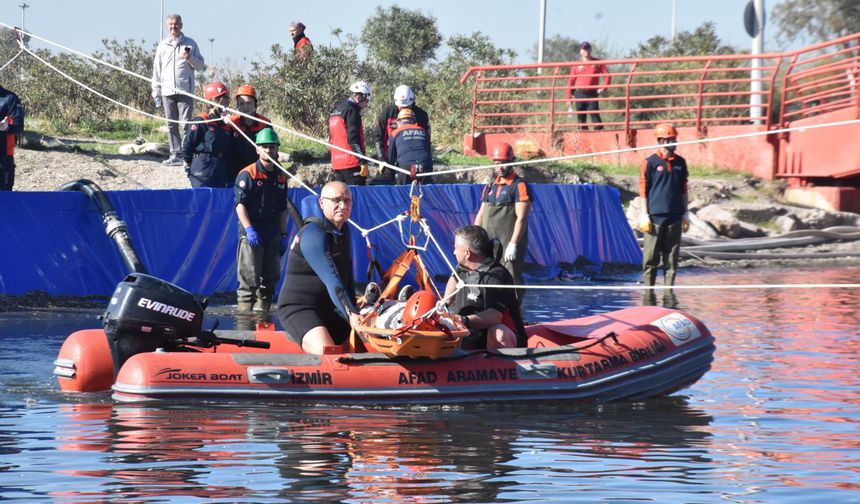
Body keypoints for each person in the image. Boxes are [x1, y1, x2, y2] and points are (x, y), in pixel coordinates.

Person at [277, 181, 362, 354]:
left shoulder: (343, 230)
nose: (342, 205)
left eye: (347, 201)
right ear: (322, 203)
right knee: (328, 352)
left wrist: (357, 311)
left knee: (363, 343)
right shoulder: (313, 235)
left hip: (328, 309)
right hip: (300, 309)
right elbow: (333, 280)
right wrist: (351, 313)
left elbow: (346, 277)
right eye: (336, 200)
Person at [444, 225, 526, 351]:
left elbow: (495, 316)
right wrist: (446, 301)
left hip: (500, 337)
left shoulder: (496, 276)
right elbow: (454, 277)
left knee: (498, 332)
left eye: (456, 248)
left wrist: (464, 320)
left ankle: (502, 365)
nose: (454, 252)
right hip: (470, 336)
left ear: (467, 253)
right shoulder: (463, 268)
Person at [234, 128, 290, 313]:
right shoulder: (247, 174)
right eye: (264, 147)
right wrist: (249, 229)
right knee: (249, 280)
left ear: (277, 150)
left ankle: (262, 317)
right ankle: (244, 322)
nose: (268, 151)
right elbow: (239, 205)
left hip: (272, 232)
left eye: (272, 147)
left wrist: (283, 234)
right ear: (257, 149)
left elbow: (283, 208)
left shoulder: (281, 176)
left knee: (271, 279)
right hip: (252, 232)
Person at [474, 142, 531, 300]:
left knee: (511, 279)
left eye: (503, 163)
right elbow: (481, 213)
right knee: (486, 275)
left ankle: (515, 316)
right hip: (489, 243)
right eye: (497, 163)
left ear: (512, 162)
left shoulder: (519, 186)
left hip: (508, 244)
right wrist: (473, 238)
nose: (499, 167)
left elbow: (522, 218)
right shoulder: (490, 187)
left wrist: (513, 244)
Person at [639, 123, 689, 287]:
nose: (674, 142)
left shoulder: (681, 163)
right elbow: (643, 190)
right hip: (654, 218)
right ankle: (649, 293)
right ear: (661, 141)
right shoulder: (650, 162)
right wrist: (644, 214)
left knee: (671, 261)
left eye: (674, 139)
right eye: (671, 139)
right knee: (650, 259)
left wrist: (685, 213)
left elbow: (683, 189)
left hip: (675, 217)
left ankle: (669, 294)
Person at [151, 14, 205, 167]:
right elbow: (157, 70)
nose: (173, 27)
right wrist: (156, 91)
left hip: (185, 90)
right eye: (170, 24)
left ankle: (187, 154)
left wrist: (190, 58)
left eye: (176, 24)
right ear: (167, 26)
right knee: (171, 124)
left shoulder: (190, 43)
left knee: (186, 124)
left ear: (181, 25)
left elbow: (200, 65)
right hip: (167, 91)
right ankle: (175, 154)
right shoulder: (162, 45)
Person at [181, 81, 233, 188]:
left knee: (218, 202)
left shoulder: (225, 125)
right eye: (224, 98)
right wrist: (188, 162)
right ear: (212, 101)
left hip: (220, 169)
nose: (227, 101)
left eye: (228, 97)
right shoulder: (201, 121)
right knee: (203, 200)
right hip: (204, 167)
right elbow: (188, 143)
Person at [373, 85, 430, 174]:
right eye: (402, 107)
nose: (404, 109)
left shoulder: (421, 115)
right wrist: (381, 159)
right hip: (389, 160)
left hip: (412, 159)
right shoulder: (387, 113)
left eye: (407, 106)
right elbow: (378, 138)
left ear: (412, 101)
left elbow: (426, 140)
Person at [227, 84, 272, 185]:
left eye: (249, 103)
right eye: (242, 104)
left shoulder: (264, 124)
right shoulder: (231, 123)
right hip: (235, 171)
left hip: (258, 171)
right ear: (238, 106)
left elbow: (273, 149)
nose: (245, 107)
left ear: (255, 104)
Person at [328, 81, 372, 186]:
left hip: (337, 163)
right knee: (356, 198)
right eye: (366, 100)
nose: (366, 104)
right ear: (359, 97)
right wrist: (362, 161)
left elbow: (331, 140)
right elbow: (353, 139)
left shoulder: (336, 110)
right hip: (351, 163)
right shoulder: (352, 111)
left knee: (341, 197)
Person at [566, 41, 610, 130]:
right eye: (584, 49)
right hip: (579, 93)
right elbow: (571, 81)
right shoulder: (576, 65)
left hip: (592, 93)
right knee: (581, 119)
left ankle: (599, 136)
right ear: (580, 51)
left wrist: (604, 88)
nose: (586, 51)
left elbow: (607, 75)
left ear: (591, 50)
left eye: (587, 48)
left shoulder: (598, 62)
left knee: (595, 117)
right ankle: (583, 136)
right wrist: (568, 97)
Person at [387, 108, 433, 185]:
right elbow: (428, 151)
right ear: (414, 121)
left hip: (405, 167)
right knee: (425, 194)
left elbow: (390, 157)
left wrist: (392, 177)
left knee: (403, 194)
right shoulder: (424, 132)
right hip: (425, 166)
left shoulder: (395, 133)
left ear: (398, 121)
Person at [0, 85, 24, 191]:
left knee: (4, 197)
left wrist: (7, 127)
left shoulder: (10, 98)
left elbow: (18, 125)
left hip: (3, 158)